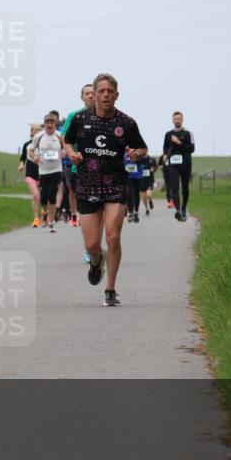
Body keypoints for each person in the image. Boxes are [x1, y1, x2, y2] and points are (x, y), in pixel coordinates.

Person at [64, 73, 147, 307]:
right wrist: (71, 153)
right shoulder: (80, 119)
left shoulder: (127, 123)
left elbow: (143, 147)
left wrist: (136, 153)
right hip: (88, 182)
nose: (106, 95)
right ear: (95, 94)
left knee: (113, 235)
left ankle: (110, 288)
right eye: (101, 91)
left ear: (117, 95)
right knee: (91, 244)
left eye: (110, 91)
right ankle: (95, 261)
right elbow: (67, 141)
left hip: (116, 183)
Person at [61, 84, 96, 227]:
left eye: (92, 92)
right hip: (78, 163)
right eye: (86, 93)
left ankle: (87, 216)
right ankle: (75, 214)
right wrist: (70, 152)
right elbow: (64, 135)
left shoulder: (105, 114)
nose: (90, 95)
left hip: (99, 163)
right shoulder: (74, 115)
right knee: (75, 192)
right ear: (82, 97)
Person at [28, 113, 65, 234]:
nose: (49, 125)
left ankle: (52, 221)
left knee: (52, 196)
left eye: (52, 123)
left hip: (56, 169)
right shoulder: (38, 136)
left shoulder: (60, 136)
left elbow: (66, 147)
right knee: (43, 199)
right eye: (47, 123)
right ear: (45, 124)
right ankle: (45, 212)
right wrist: (34, 157)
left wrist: (64, 152)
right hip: (43, 170)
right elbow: (31, 150)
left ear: (55, 124)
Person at [162, 111, 195, 222]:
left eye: (179, 119)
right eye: (175, 119)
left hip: (185, 163)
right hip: (173, 163)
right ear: (172, 120)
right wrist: (165, 155)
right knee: (174, 187)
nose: (177, 121)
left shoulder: (188, 133)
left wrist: (179, 142)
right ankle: (178, 211)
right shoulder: (168, 134)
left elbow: (191, 149)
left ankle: (184, 207)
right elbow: (165, 147)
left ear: (182, 120)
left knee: (185, 188)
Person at [18, 124, 42, 227]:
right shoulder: (27, 145)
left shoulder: (44, 144)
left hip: (43, 173)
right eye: (35, 130)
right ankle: (36, 218)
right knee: (35, 195)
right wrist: (21, 165)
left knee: (42, 197)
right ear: (31, 132)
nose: (37, 131)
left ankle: (44, 214)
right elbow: (23, 158)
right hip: (30, 174)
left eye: (40, 130)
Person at [124, 151, 143, 223]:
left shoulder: (137, 151)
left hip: (137, 176)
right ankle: (131, 213)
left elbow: (143, 160)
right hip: (128, 176)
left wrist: (137, 158)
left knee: (136, 193)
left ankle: (136, 212)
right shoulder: (123, 153)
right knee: (129, 193)